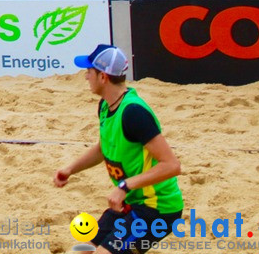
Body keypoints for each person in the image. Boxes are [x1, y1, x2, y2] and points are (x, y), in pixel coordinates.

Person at [53, 44, 183, 254]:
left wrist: (124, 187)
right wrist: (70, 169)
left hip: (156, 210)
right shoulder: (106, 105)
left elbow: (172, 165)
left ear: (103, 76)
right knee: (79, 251)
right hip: (128, 204)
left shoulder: (134, 113)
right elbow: (104, 146)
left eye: (89, 71)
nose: (86, 76)